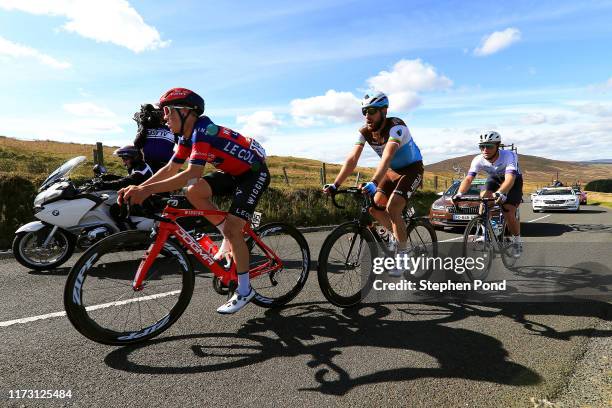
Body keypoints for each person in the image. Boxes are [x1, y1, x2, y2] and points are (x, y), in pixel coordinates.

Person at [119, 88, 270, 314]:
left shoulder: (203, 131)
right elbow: (172, 168)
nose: (164, 118)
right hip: (233, 173)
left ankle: (245, 290)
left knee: (233, 228)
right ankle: (227, 238)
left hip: (253, 174)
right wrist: (140, 187)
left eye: (168, 112)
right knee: (193, 191)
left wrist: (147, 190)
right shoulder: (186, 136)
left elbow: (191, 173)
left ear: (186, 112)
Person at [323, 92, 424, 276]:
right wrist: (336, 184)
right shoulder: (364, 132)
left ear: (384, 111)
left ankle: (403, 255)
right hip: (392, 172)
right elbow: (352, 158)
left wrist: (374, 181)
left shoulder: (396, 126)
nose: (367, 116)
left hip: (412, 169)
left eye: (372, 111)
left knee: (393, 208)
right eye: (364, 111)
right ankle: (395, 235)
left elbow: (388, 156)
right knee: (374, 208)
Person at [452, 131, 523, 257]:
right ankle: (485, 234)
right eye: (482, 146)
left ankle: (517, 241)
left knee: (508, 211)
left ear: (497, 146)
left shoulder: (509, 156)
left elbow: (510, 179)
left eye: (489, 146)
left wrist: (500, 193)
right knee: (484, 201)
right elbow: (468, 179)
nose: (485, 149)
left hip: (512, 181)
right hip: (494, 179)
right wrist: (459, 193)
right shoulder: (478, 160)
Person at [133, 104, 176, 173]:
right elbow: (137, 144)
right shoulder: (145, 126)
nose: (157, 116)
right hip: (147, 166)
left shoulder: (171, 128)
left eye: (160, 113)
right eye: (155, 113)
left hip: (166, 166)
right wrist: (144, 127)